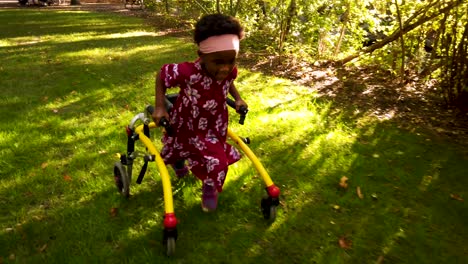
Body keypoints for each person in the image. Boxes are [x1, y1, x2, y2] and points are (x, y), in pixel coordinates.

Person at [152, 14, 248, 212]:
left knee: (217, 160)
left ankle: (210, 186)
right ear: (202, 55)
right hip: (186, 121)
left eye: (231, 61)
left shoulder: (229, 69)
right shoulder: (188, 72)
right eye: (218, 62)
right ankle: (179, 164)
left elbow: (229, 81)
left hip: (213, 125)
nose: (225, 68)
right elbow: (162, 74)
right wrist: (160, 106)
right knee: (175, 148)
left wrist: (237, 98)